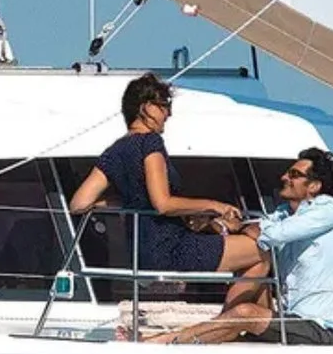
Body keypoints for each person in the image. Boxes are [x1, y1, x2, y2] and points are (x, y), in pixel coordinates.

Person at [66, 73, 269, 314]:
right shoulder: (150, 143)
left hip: (141, 254)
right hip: (170, 249)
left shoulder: (115, 151)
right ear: (146, 108)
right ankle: (232, 322)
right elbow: (163, 204)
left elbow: (79, 204)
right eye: (165, 106)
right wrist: (216, 205)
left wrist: (129, 201)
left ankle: (254, 321)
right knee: (262, 252)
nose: (168, 114)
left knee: (247, 254)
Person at [174, 148, 333, 345]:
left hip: (320, 326)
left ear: (314, 186)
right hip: (289, 317)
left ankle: (169, 340)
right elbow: (255, 230)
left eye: (294, 175)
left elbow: (269, 234)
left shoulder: (328, 209)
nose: (284, 177)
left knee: (245, 312)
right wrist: (215, 224)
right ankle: (216, 328)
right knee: (257, 256)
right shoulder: (283, 213)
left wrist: (242, 228)